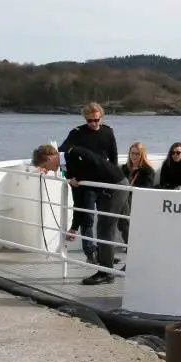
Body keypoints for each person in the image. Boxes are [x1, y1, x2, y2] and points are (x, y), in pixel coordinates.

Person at [33, 142, 126, 285]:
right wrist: (74, 226)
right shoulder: (66, 169)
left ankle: (106, 273)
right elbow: (78, 196)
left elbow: (96, 165)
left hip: (115, 186)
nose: (49, 170)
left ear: (48, 157)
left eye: (45, 166)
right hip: (109, 189)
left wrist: (79, 178)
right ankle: (108, 269)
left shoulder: (75, 153)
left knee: (106, 230)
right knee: (119, 226)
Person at [58, 103, 118, 266]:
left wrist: (113, 180)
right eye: (90, 120)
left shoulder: (108, 132)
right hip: (86, 183)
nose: (93, 123)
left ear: (101, 117)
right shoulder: (77, 133)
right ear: (85, 118)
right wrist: (67, 176)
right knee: (88, 218)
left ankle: (104, 252)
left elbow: (113, 158)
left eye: (96, 120)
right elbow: (61, 154)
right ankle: (90, 252)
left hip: (104, 182)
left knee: (106, 221)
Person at [119, 141, 156, 245]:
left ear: (142, 155)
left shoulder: (147, 171)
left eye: (137, 154)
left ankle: (130, 246)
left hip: (137, 201)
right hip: (124, 199)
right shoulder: (124, 168)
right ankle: (128, 244)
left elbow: (147, 188)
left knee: (126, 221)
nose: (134, 156)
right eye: (132, 153)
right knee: (122, 222)